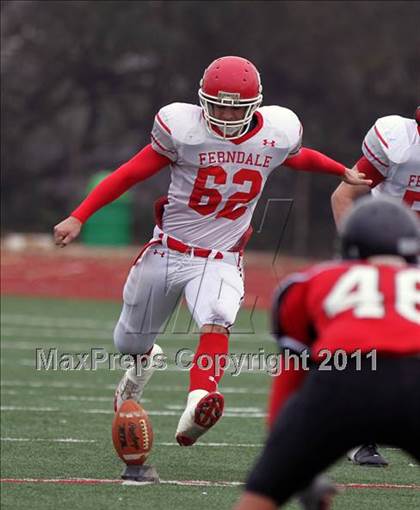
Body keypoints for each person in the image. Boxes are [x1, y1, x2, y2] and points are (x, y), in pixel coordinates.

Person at [53, 55, 370, 446]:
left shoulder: (276, 133)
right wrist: (79, 216)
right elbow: (130, 172)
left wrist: (340, 170)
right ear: (202, 99)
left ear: (254, 106)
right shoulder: (182, 130)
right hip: (168, 250)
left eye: (233, 107)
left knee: (217, 316)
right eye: (216, 104)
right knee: (130, 343)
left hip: (220, 256)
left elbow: (296, 157)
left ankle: (199, 400)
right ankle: (142, 364)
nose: (222, 114)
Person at [219, 196, 420, 510]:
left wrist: (290, 462)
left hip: (342, 383)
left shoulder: (313, 280)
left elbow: (292, 373)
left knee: (261, 496)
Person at [330, 105, 420, 465]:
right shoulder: (399, 144)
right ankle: (358, 435)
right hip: (387, 258)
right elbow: (343, 196)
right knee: (375, 348)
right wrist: (358, 256)